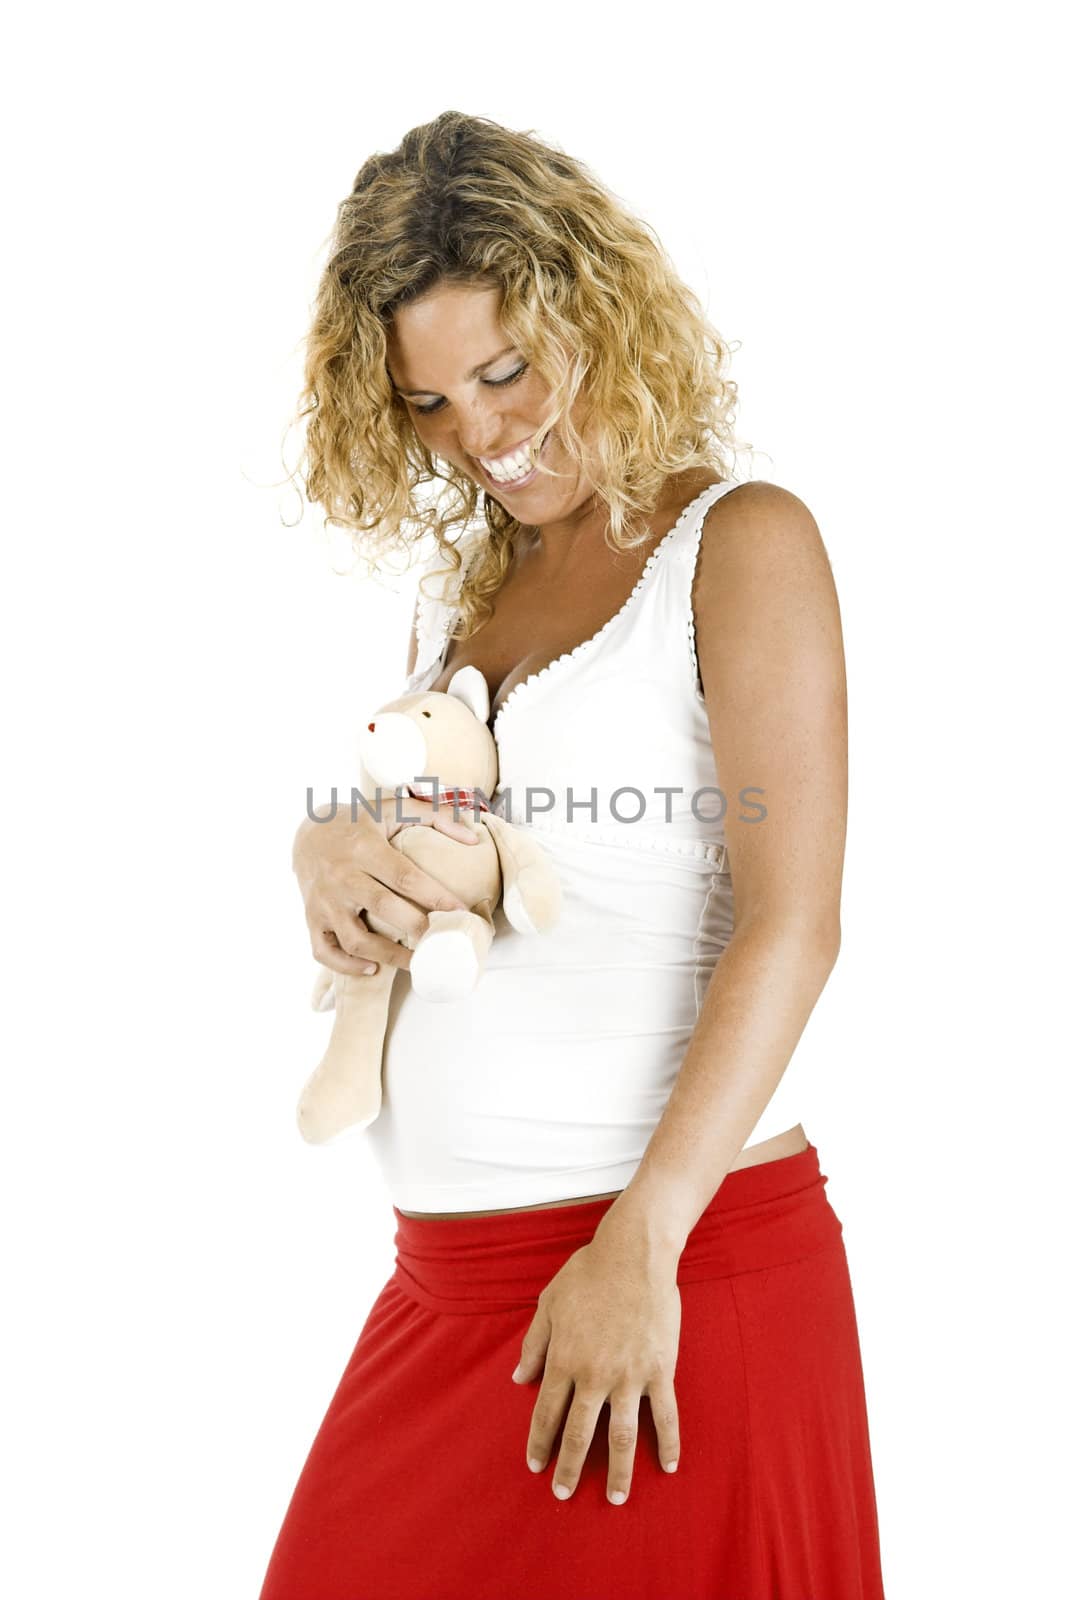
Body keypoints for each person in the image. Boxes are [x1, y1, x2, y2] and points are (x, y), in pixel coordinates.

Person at [258, 110, 885, 1600]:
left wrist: (641, 1244)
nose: (481, 433)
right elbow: (444, 842)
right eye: (428, 404)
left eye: (505, 371)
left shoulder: (738, 545)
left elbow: (790, 925)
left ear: (593, 320)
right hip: (450, 1287)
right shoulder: (460, 598)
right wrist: (323, 857)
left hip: (666, 1274)